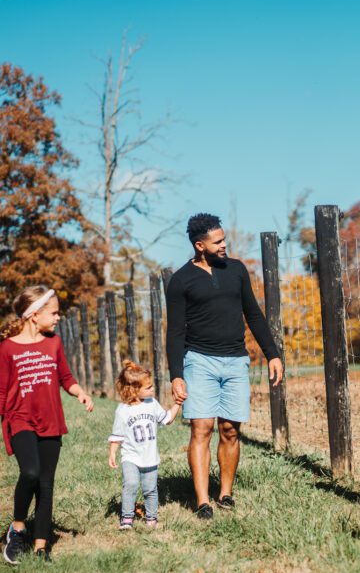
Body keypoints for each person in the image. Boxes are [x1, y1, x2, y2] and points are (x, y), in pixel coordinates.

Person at [165, 213, 283, 519]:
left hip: (235, 361)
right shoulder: (180, 281)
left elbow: (253, 314)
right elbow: (175, 331)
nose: (224, 245)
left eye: (224, 239)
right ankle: (202, 501)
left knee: (230, 429)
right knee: (201, 428)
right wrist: (176, 376)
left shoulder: (237, 270)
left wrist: (272, 353)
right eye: (218, 241)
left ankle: (225, 494)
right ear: (200, 245)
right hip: (199, 361)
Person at [0, 285, 94, 564]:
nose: (58, 318)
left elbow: (65, 377)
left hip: (51, 421)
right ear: (34, 314)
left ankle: (41, 547)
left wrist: (79, 392)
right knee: (30, 472)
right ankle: (18, 528)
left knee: (46, 484)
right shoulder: (8, 348)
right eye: (54, 313)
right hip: (20, 419)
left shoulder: (53, 343)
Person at [107, 361, 182, 529]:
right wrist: (112, 453)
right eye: (148, 387)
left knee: (150, 489)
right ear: (134, 390)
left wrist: (178, 404)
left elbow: (167, 419)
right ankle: (127, 518)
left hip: (150, 458)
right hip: (130, 457)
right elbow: (117, 435)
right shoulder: (122, 410)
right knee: (131, 484)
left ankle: (151, 517)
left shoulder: (152, 404)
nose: (152, 389)